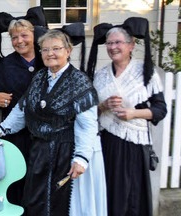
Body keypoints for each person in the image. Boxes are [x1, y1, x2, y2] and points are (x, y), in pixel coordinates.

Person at [0, 28, 107, 216]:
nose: (50, 54)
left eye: (56, 48)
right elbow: (23, 110)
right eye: (45, 50)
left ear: (68, 51)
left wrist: (81, 158)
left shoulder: (79, 82)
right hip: (40, 151)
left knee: (60, 203)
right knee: (35, 200)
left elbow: (87, 124)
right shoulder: (40, 77)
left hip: (66, 151)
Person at [87, 17, 167, 216]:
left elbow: (160, 109)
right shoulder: (101, 75)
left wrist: (133, 113)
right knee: (108, 193)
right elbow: (90, 112)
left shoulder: (145, 72)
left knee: (131, 197)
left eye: (118, 42)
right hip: (106, 143)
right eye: (110, 43)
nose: (113, 47)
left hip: (133, 145)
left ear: (131, 45)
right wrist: (104, 106)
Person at [0, 6, 47, 207]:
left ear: (35, 34)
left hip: (43, 133)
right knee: (17, 179)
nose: (19, 41)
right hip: (15, 135)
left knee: (40, 179)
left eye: (24, 35)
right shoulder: (5, 65)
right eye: (14, 37)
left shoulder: (47, 59)